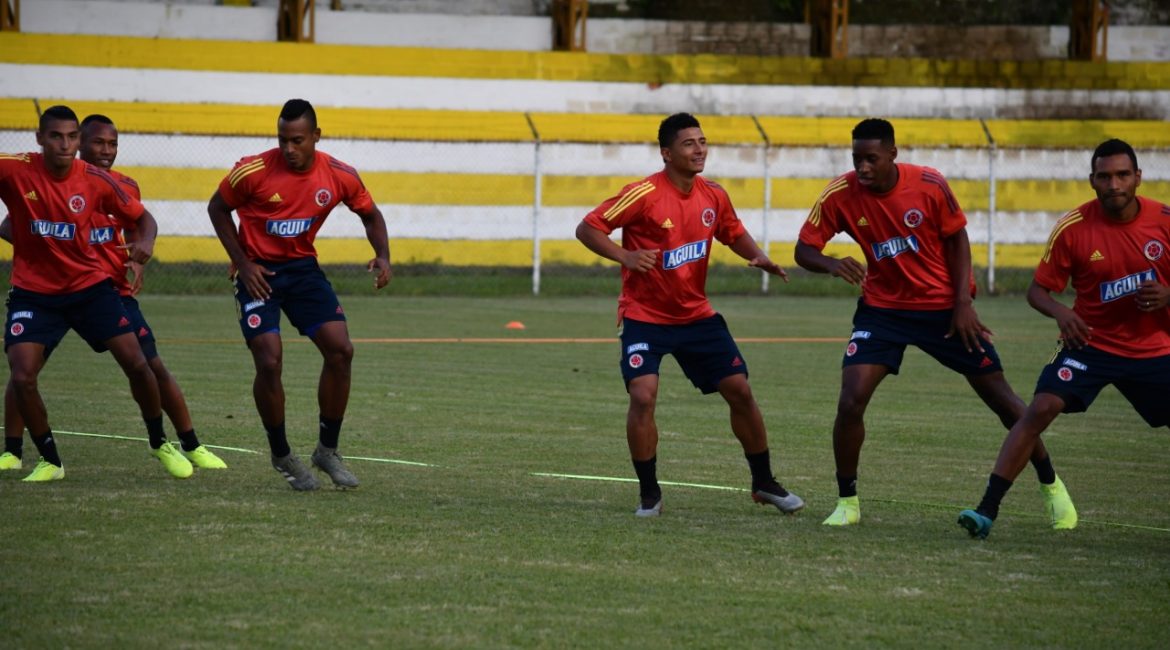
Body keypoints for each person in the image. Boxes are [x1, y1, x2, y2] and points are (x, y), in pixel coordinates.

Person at [794, 118, 1075, 527]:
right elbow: (804, 249)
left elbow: (958, 239)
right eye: (857, 158)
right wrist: (832, 263)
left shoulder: (928, 184)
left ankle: (1052, 488)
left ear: (892, 153)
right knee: (851, 399)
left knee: (1002, 400)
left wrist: (963, 302)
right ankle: (847, 502)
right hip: (882, 311)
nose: (863, 168)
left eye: (871, 158)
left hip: (943, 309)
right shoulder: (841, 193)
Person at [575, 112, 803, 517]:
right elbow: (589, 227)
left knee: (740, 390)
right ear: (666, 153)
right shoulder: (643, 193)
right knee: (642, 396)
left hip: (696, 316)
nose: (699, 150)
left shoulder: (713, 194)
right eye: (688, 144)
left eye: (702, 142)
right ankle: (650, 494)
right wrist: (625, 255)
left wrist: (758, 256)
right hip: (645, 315)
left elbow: (730, 230)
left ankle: (764, 482)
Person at [959, 139, 1170, 539]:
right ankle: (986, 509)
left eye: (1123, 175)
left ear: (1138, 177)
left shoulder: (1165, 220)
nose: (1114, 184)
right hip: (1091, 345)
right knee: (1039, 409)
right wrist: (1063, 312)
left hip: (1155, 348)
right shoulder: (1073, 229)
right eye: (1104, 176)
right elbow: (1037, 291)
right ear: (1092, 180)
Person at [0, 114, 227, 475]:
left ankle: (176, 443)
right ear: (43, 139)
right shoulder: (17, 171)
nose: (66, 145)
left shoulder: (109, 185)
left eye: (112, 143)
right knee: (23, 373)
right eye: (96, 143)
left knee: (144, 364)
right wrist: (41, 249)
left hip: (100, 290)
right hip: (38, 294)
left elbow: (142, 222)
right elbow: (10, 224)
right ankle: (24, 453)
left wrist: (141, 253)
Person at [207, 98, 391, 491]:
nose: (288, 149)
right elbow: (218, 208)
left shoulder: (339, 175)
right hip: (259, 273)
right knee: (270, 360)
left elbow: (371, 214)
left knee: (341, 350)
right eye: (282, 140)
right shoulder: (252, 171)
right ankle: (281, 454)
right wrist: (242, 260)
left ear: (316, 137)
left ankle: (327, 450)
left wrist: (383, 256)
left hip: (302, 271)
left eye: (297, 140)